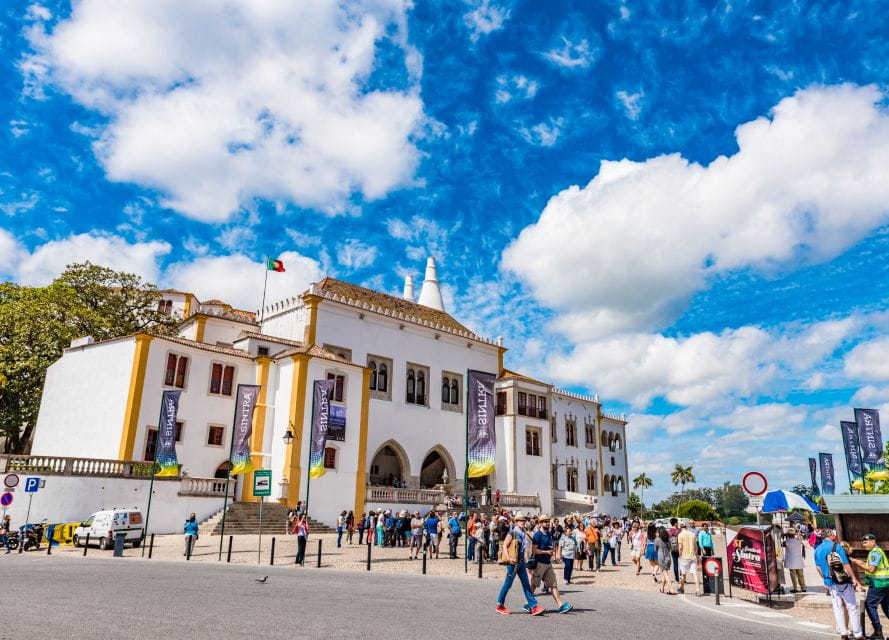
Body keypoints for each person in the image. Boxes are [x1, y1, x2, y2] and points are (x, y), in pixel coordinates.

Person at [814, 530, 864, 640]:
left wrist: (826, 578)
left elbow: (818, 568)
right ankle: (858, 634)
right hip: (843, 581)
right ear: (831, 536)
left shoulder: (817, 549)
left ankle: (843, 633)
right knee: (851, 607)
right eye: (834, 534)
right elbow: (846, 564)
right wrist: (854, 578)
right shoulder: (837, 547)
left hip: (830, 583)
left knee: (838, 608)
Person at [496, 512, 544, 615]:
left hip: (521, 563)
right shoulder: (513, 532)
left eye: (523, 520)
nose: (522, 522)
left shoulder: (523, 532)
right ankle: (500, 605)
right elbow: (504, 546)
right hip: (513, 563)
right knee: (507, 584)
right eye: (520, 520)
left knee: (526, 585)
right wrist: (508, 558)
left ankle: (533, 606)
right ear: (516, 521)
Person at [528, 514, 572, 613]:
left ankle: (560, 606)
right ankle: (529, 604)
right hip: (539, 562)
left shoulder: (548, 534)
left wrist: (552, 553)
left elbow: (551, 545)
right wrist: (545, 552)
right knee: (534, 584)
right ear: (540, 523)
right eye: (545, 521)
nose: (547, 523)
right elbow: (534, 550)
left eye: (548, 521)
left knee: (553, 584)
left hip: (548, 563)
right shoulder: (537, 535)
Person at [851, 533, 889, 640]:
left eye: (865, 542)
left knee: (870, 605)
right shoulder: (878, 551)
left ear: (873, 542)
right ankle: (878, 632)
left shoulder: (875, 553)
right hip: (885, 583)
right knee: (886, 608)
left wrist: (859, 563)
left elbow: (871, 569)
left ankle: (878, 632)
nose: (864, 545)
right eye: (863, 543)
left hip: (878, 584)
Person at [677, 522, 701, 596]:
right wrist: (696, 555)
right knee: (694, 573)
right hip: (692, 556)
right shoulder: (692, 534)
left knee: (683, 574)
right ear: (686, 527)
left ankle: (682, 587)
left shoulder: (680, 535)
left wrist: (679, 555)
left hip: (684, 556)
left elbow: (680, 547)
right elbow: (696, 547)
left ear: (680, 527)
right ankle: (698, 590)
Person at [655, 526, 677, 595]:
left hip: (662, 558)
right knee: (665, 573)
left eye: (657, 532)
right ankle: (662, 588)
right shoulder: (668, 540)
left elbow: (655, 550)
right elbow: (670, 548)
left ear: (659, 533)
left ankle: (671, 589)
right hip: (668, 558)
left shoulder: (657, 540)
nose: (656, 533)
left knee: (665, 574)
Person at [783, 529, 807, 594]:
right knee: (801, 575)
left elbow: (781, 544)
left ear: (788, 535)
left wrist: (783, 536)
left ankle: (795, 588)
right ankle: (803, 587)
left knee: (793, 575)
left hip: (791, 561)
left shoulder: (786, 542)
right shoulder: (799, 541)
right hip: (799, 561)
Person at [668, 518, 681, 582]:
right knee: (681, 564)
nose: (678, 523)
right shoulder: (679, 530)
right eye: (677, 522)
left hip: (673, 549)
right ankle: (682, 577)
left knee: (675, 564)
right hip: (680, 548)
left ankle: (677, 578)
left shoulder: (669, 531)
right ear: (675, 523)